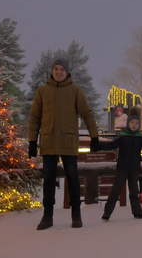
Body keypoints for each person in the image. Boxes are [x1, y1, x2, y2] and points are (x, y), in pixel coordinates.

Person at [28, 59, 100, 230]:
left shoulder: (75, 91)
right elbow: (34, 118)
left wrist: (94, 137)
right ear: (52, 71)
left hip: (68, 142)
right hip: (49, 142)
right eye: (56, 69)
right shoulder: (43, 91)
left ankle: (76, 215)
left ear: (67, 72)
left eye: (62, 69)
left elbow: (87, 114)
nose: (59, 72)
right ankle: (47, 216)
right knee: (48, 180)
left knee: (73, 178)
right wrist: (32, 141)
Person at [100, 106, 142, 221]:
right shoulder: (123, 136)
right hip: (122, 167)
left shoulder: (140, 137)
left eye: (137, 123)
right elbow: (112, 145)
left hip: (134, 168)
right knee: (116, 190)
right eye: (132, 122)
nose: (134, 124)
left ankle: (137, 212)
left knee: (134, 191)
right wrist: (98, 144)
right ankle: (107, 213)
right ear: (128, 123)